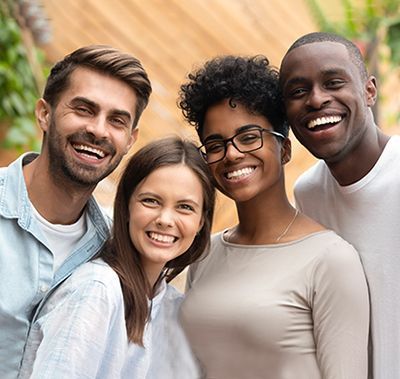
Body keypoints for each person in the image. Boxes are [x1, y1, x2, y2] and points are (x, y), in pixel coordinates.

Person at [178, 55, 369, 378]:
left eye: (249, 136)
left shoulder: (331, 261)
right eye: (215, 144)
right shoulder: (204, 254)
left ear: (284, 148)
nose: (233, 153)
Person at [0, 45, 152, 378]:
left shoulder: (118, 252)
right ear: (44, 113)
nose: (98, 130)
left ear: (130, 140)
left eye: (117, 120)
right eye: (84, 109)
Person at [18, 136, 215, 379]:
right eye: (151, 201)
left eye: (185, 207)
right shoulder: (97, 290)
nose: (165, 219)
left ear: (201, 221)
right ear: (127, 206)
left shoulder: (176, 311)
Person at [279, 31, 399, 378]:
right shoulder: (309, 194)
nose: (316, 100)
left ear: (369, 91)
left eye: (333, 82)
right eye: (298, 92)